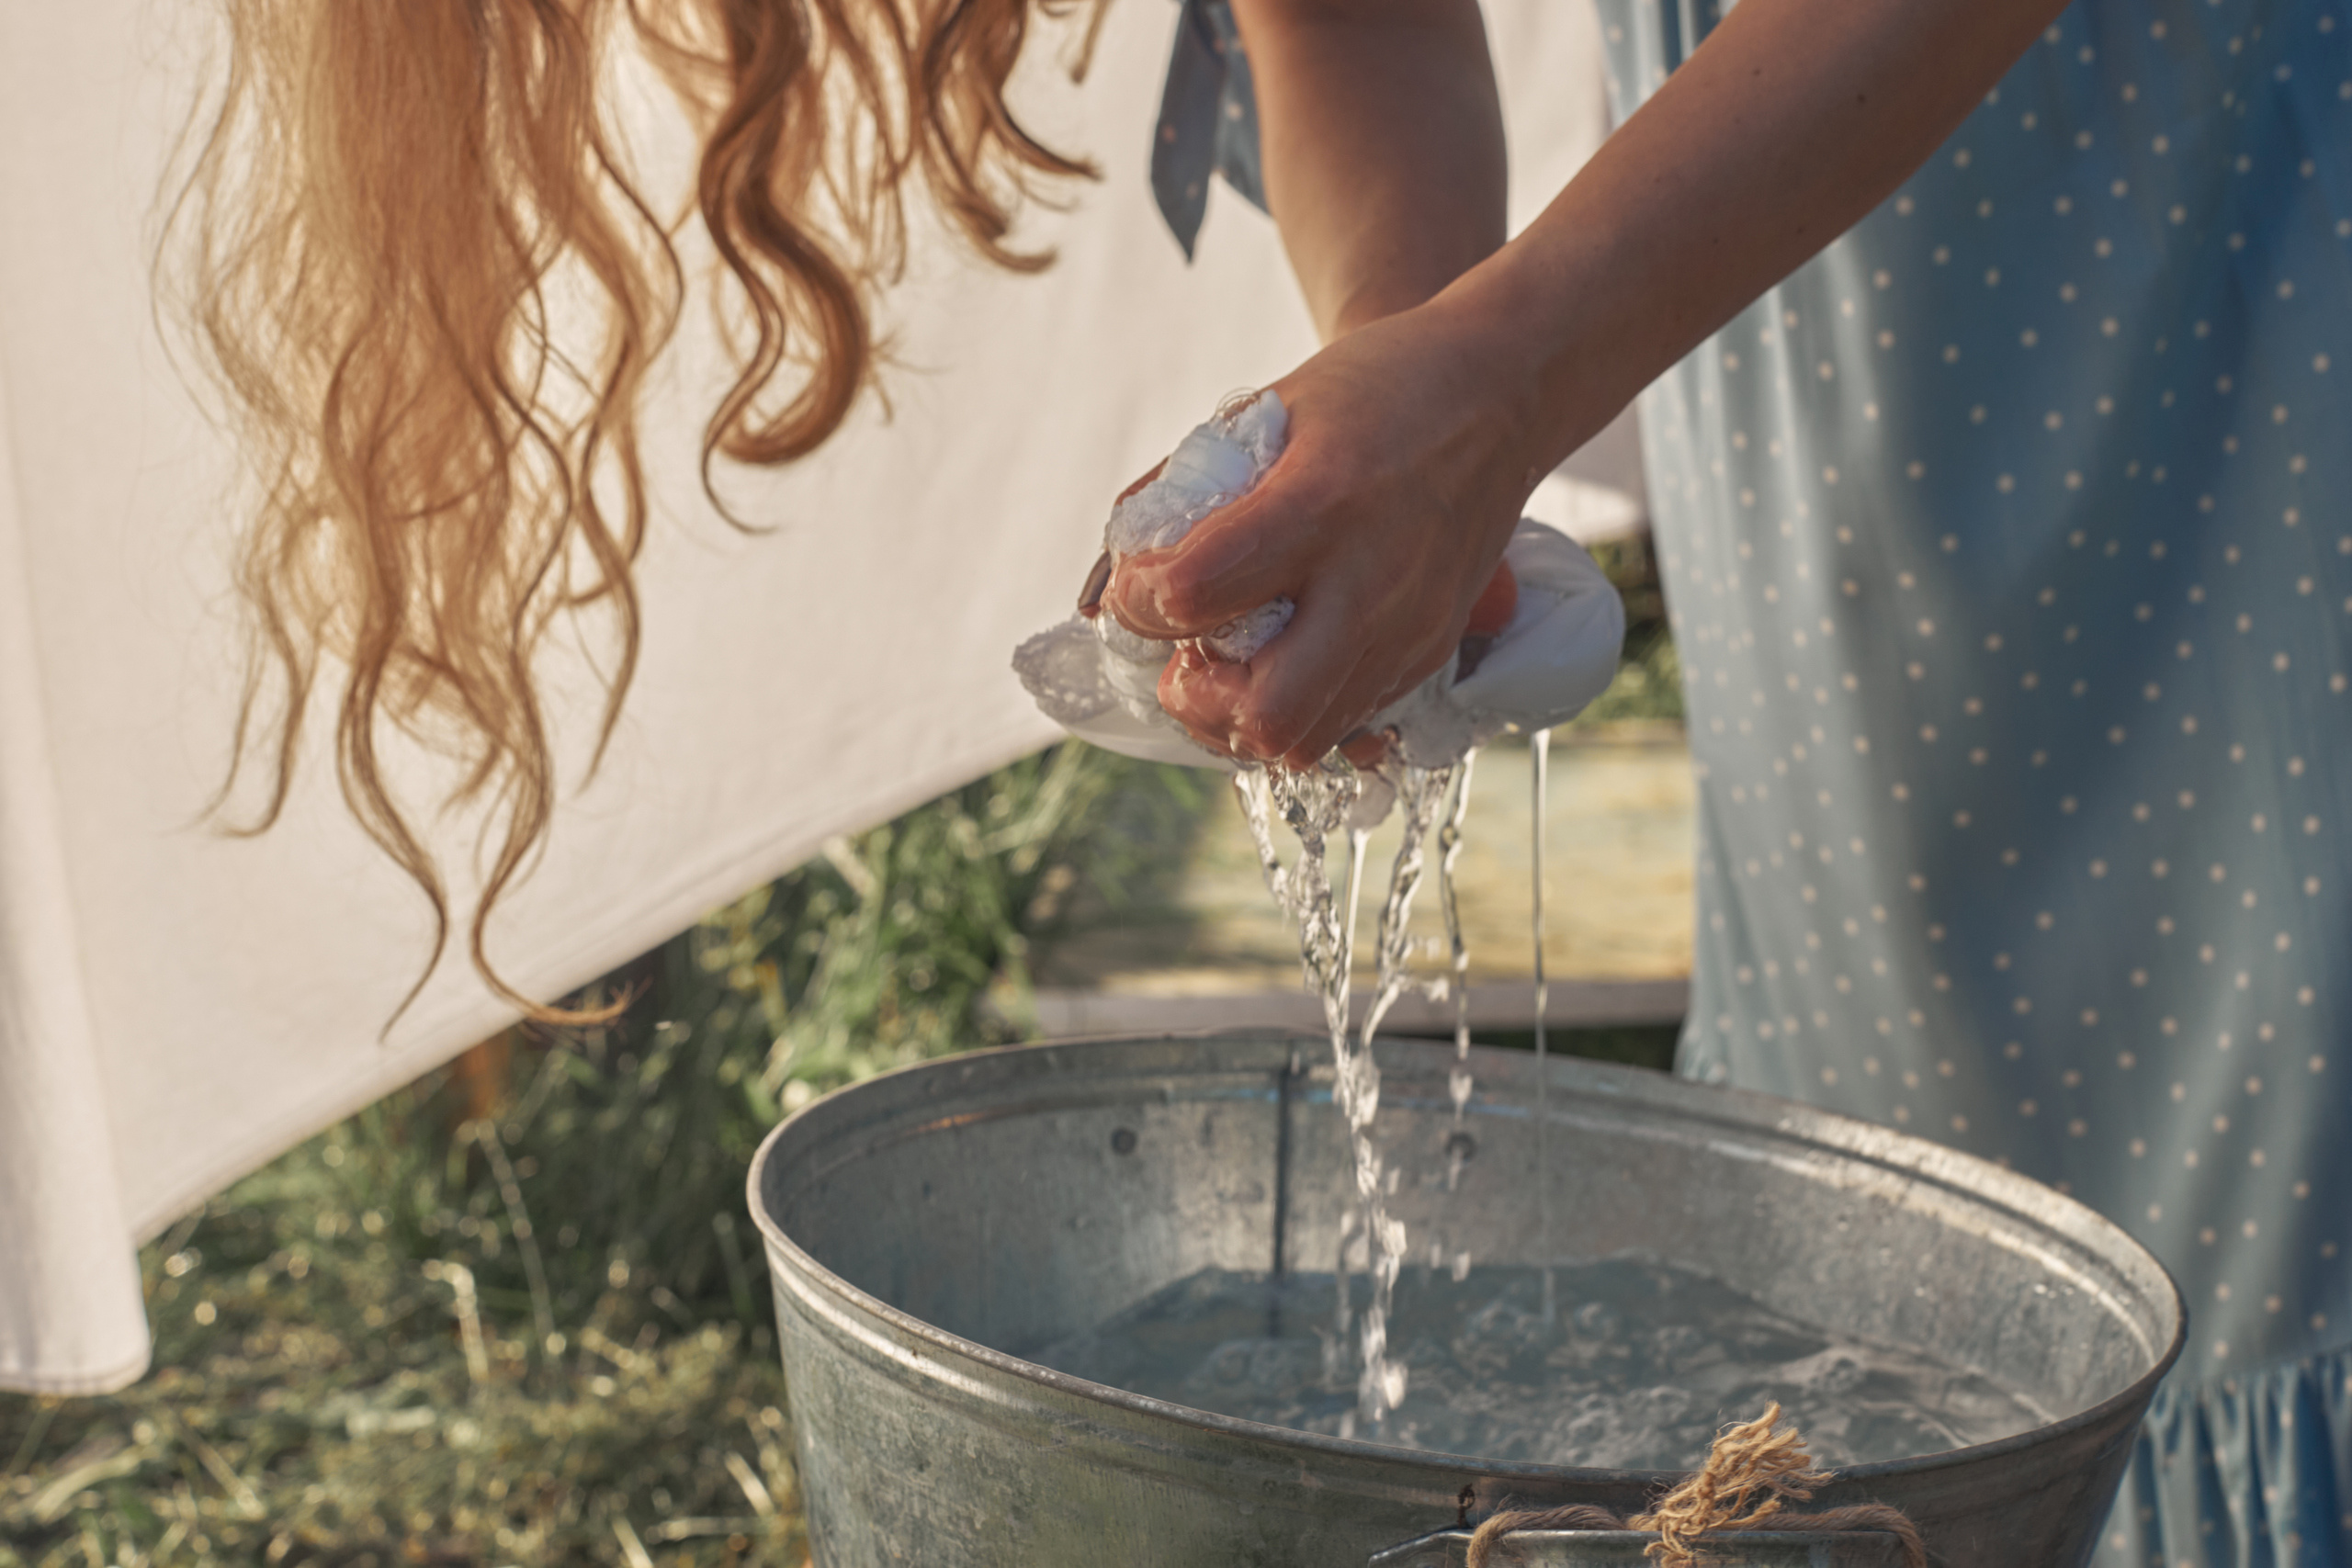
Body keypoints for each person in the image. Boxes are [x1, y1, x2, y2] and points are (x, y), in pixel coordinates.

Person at [1109, 0, 2352, 1562]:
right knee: (1873, 1264)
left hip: (2255, 360)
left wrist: (1496, 381)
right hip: (1810, 531)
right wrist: (1398, 371)